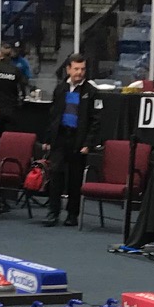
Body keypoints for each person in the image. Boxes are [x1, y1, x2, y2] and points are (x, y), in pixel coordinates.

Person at [43, 53, 95, 227]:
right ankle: (53, 212)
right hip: (60, 138)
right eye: (76, 69)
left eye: (82, 69)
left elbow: (96, 121)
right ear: (68, 69)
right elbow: (52, 116)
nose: (79, 72)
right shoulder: (60, 89)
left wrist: (88, 143)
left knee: (74, 179)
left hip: (78, 141)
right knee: (56, 176)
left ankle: (72, 214)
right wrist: (48, 139)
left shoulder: (91, 92)